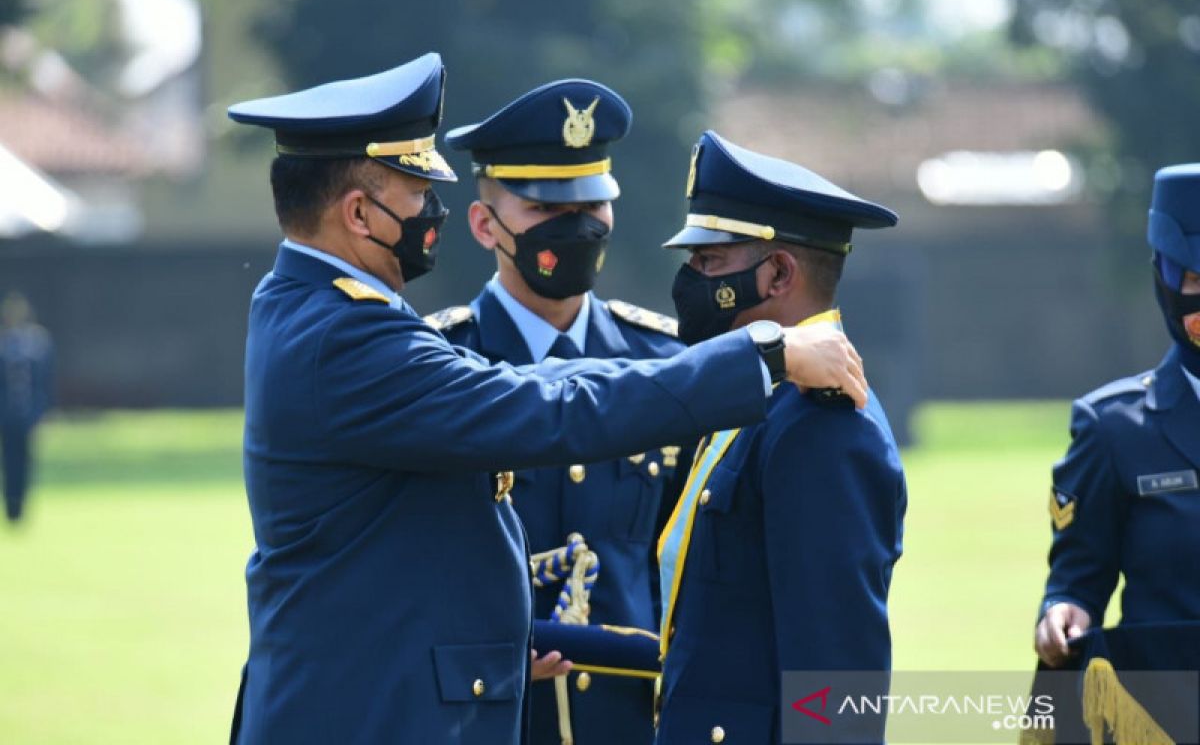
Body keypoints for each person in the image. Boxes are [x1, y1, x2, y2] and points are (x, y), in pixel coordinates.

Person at [224, 53, 871, 744]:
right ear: (359, 212)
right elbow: (543, 408)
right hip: (372, 716)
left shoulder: (315, 309)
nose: (431, 212)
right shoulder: (343, 335)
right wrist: (764, 355)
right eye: (418, 193)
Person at [428, 78, 683, 745]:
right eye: (545, 207)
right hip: (488, 714)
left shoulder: (666, 363)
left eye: (594, 203)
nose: (577, 227)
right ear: (486, 225)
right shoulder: (437, 362)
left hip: (634, 716)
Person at [653, 131, 907, 745]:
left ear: (778, 273)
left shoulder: (820, 426)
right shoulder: (761, 396)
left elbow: (835, 677)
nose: (688, 281)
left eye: (709, 261)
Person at [1034, 163, 1200, 668]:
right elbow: (1078, 578)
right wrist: (1064, 610)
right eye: (1197, 278)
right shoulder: (1113, 427)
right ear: (1166, 282)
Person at [0, 291, 53, 524]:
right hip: (6, 415)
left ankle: (22, 508)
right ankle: (10, 507)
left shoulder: (38, 342)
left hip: (28, 414)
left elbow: (46, 381)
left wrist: (43, 413)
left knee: (26, 462)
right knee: (9, 462)